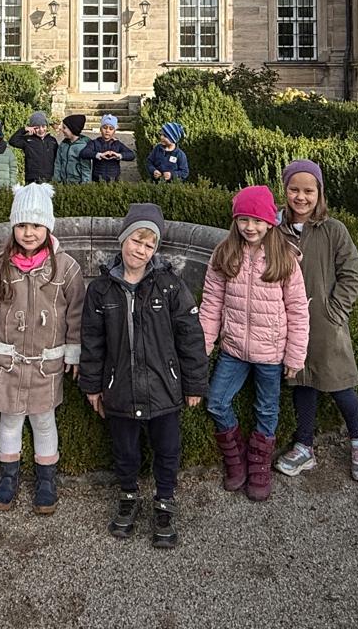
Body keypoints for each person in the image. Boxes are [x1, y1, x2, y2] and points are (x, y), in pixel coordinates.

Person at [79, 202, 208, 548]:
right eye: (137, 240)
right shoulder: (101, 290)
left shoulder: (169, 286)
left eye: (150, 245)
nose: (141, 249)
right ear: (123, 239)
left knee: (167, 449)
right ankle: (128, 495)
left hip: (164, 389)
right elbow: (92, 342)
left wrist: (195, 383)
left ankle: (165, 501)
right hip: (119, 388)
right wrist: (92, 385)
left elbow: (190, 335)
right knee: (125, 450)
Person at [0, 183, 85, 514]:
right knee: (10, 421)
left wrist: (74, 353)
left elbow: (75, 314)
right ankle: (8, 478)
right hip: (9, 361)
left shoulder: (66, 268)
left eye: (36, 225)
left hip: (46, 364)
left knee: (44, 420)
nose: (28, 232)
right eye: (22, 225)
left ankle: (46, 480)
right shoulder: (0, 267)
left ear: (47, 227)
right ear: (13, 227)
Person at [199, 185, 309, 502]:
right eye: (244, 219)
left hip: (271, 354)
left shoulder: (284, 258)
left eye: (257, 221)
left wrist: (294, 356)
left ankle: (259, 463)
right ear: (236, 221)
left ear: (270, 222)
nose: (250, 227)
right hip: (234, 349)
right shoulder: (223, 254)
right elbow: (211, 304)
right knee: (217, 401)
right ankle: (236, 458)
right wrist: (203, 346)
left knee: (266, 410)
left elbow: (298, 310)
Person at [272, 160, 358, 481]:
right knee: (302, 383)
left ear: (319, 192)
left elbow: (351, 272)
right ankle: (304, 445)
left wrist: (336, 310)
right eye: (294, 189)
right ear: (285, 189)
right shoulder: (276, 229)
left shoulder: (333, 230)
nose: (300, 197)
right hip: (290, 325)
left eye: (308, 190)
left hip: (326, 324)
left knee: (339, 383)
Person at [79, 115, 135, 182]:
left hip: (114, 180)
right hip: (97, 179)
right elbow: (84, 153)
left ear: (114, 131)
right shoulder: (94, 143)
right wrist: (98, 155)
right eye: (105, 128)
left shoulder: (117, 144)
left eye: (111, 129)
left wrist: (119, 155)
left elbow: (132, 155)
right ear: (100, 129)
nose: (107, 131)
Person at [9, 112, 59, 183]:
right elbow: (12, 141)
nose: (41, 130)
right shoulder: (27, 140)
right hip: (32, 179)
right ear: (32, 128)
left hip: (49, 178)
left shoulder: (52, 141)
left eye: (43, 126)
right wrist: (24, 129)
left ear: (47, 126)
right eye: (37, 127)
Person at [53, 114, 93, 184]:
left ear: (73, 129)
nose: (62, 130)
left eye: (64, 127)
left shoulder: (83, 147)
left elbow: (85, 169)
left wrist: (85, 187)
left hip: (76, 184)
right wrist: (57, 181)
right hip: (63, 183)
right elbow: (58, 163)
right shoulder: (63, 144)